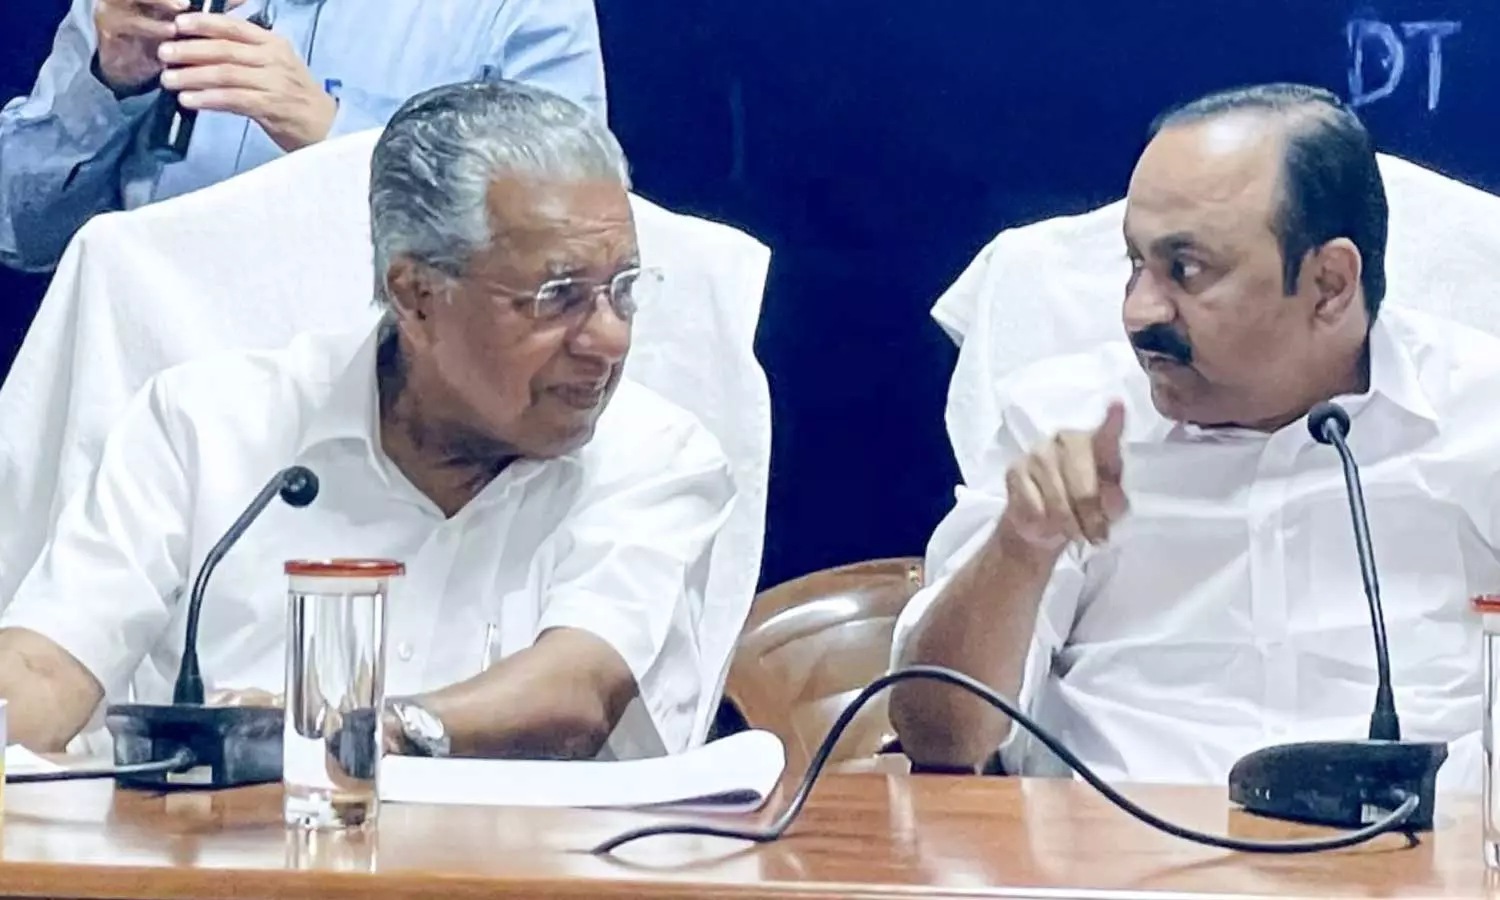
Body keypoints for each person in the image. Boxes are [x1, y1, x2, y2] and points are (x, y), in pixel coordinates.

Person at [0, 79, 735, 762]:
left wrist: (356, 732)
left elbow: (577, 691)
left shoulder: (656, 453)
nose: (608, 338)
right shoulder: (206, 425)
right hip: (213, 851)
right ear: (416, 295)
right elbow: (46, 665)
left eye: (624, 290)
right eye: (560, 297)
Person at [888, 83, 1500, 794]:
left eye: (1186, 270)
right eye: (1134, 265)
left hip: (1421, 846)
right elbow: (939, 737)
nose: (1140, 312)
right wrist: (1019, 549)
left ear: (1330, 284)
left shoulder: (1481, 417)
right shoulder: (1064, 427)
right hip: (1111, 844)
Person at [0, 0, 607, 272]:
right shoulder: (133, 7)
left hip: (389, 414)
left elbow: (568, 245)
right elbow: (21, 236)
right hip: (144, 395)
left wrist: (336, 137)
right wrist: (107, 85)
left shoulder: (521, 9)